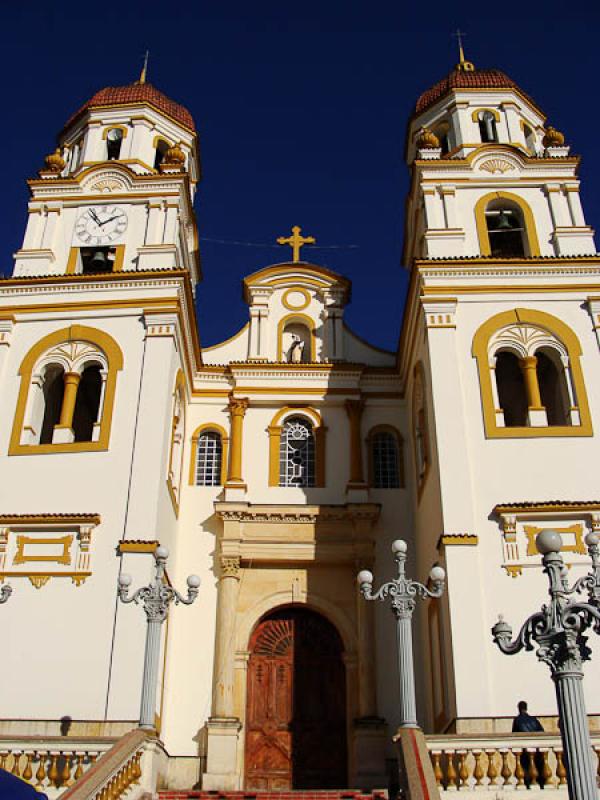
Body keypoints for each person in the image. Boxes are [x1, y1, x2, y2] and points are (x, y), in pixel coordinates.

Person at [512, 701, 544, 787]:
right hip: (536, 750)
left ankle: (529, 784)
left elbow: (514, 735)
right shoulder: (533, 719)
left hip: (524, 751)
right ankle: (540, 784)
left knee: (526, 770)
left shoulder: (517, 720)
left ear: (519, 708)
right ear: (526, 708)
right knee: (538, 769)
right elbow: (541, 732)